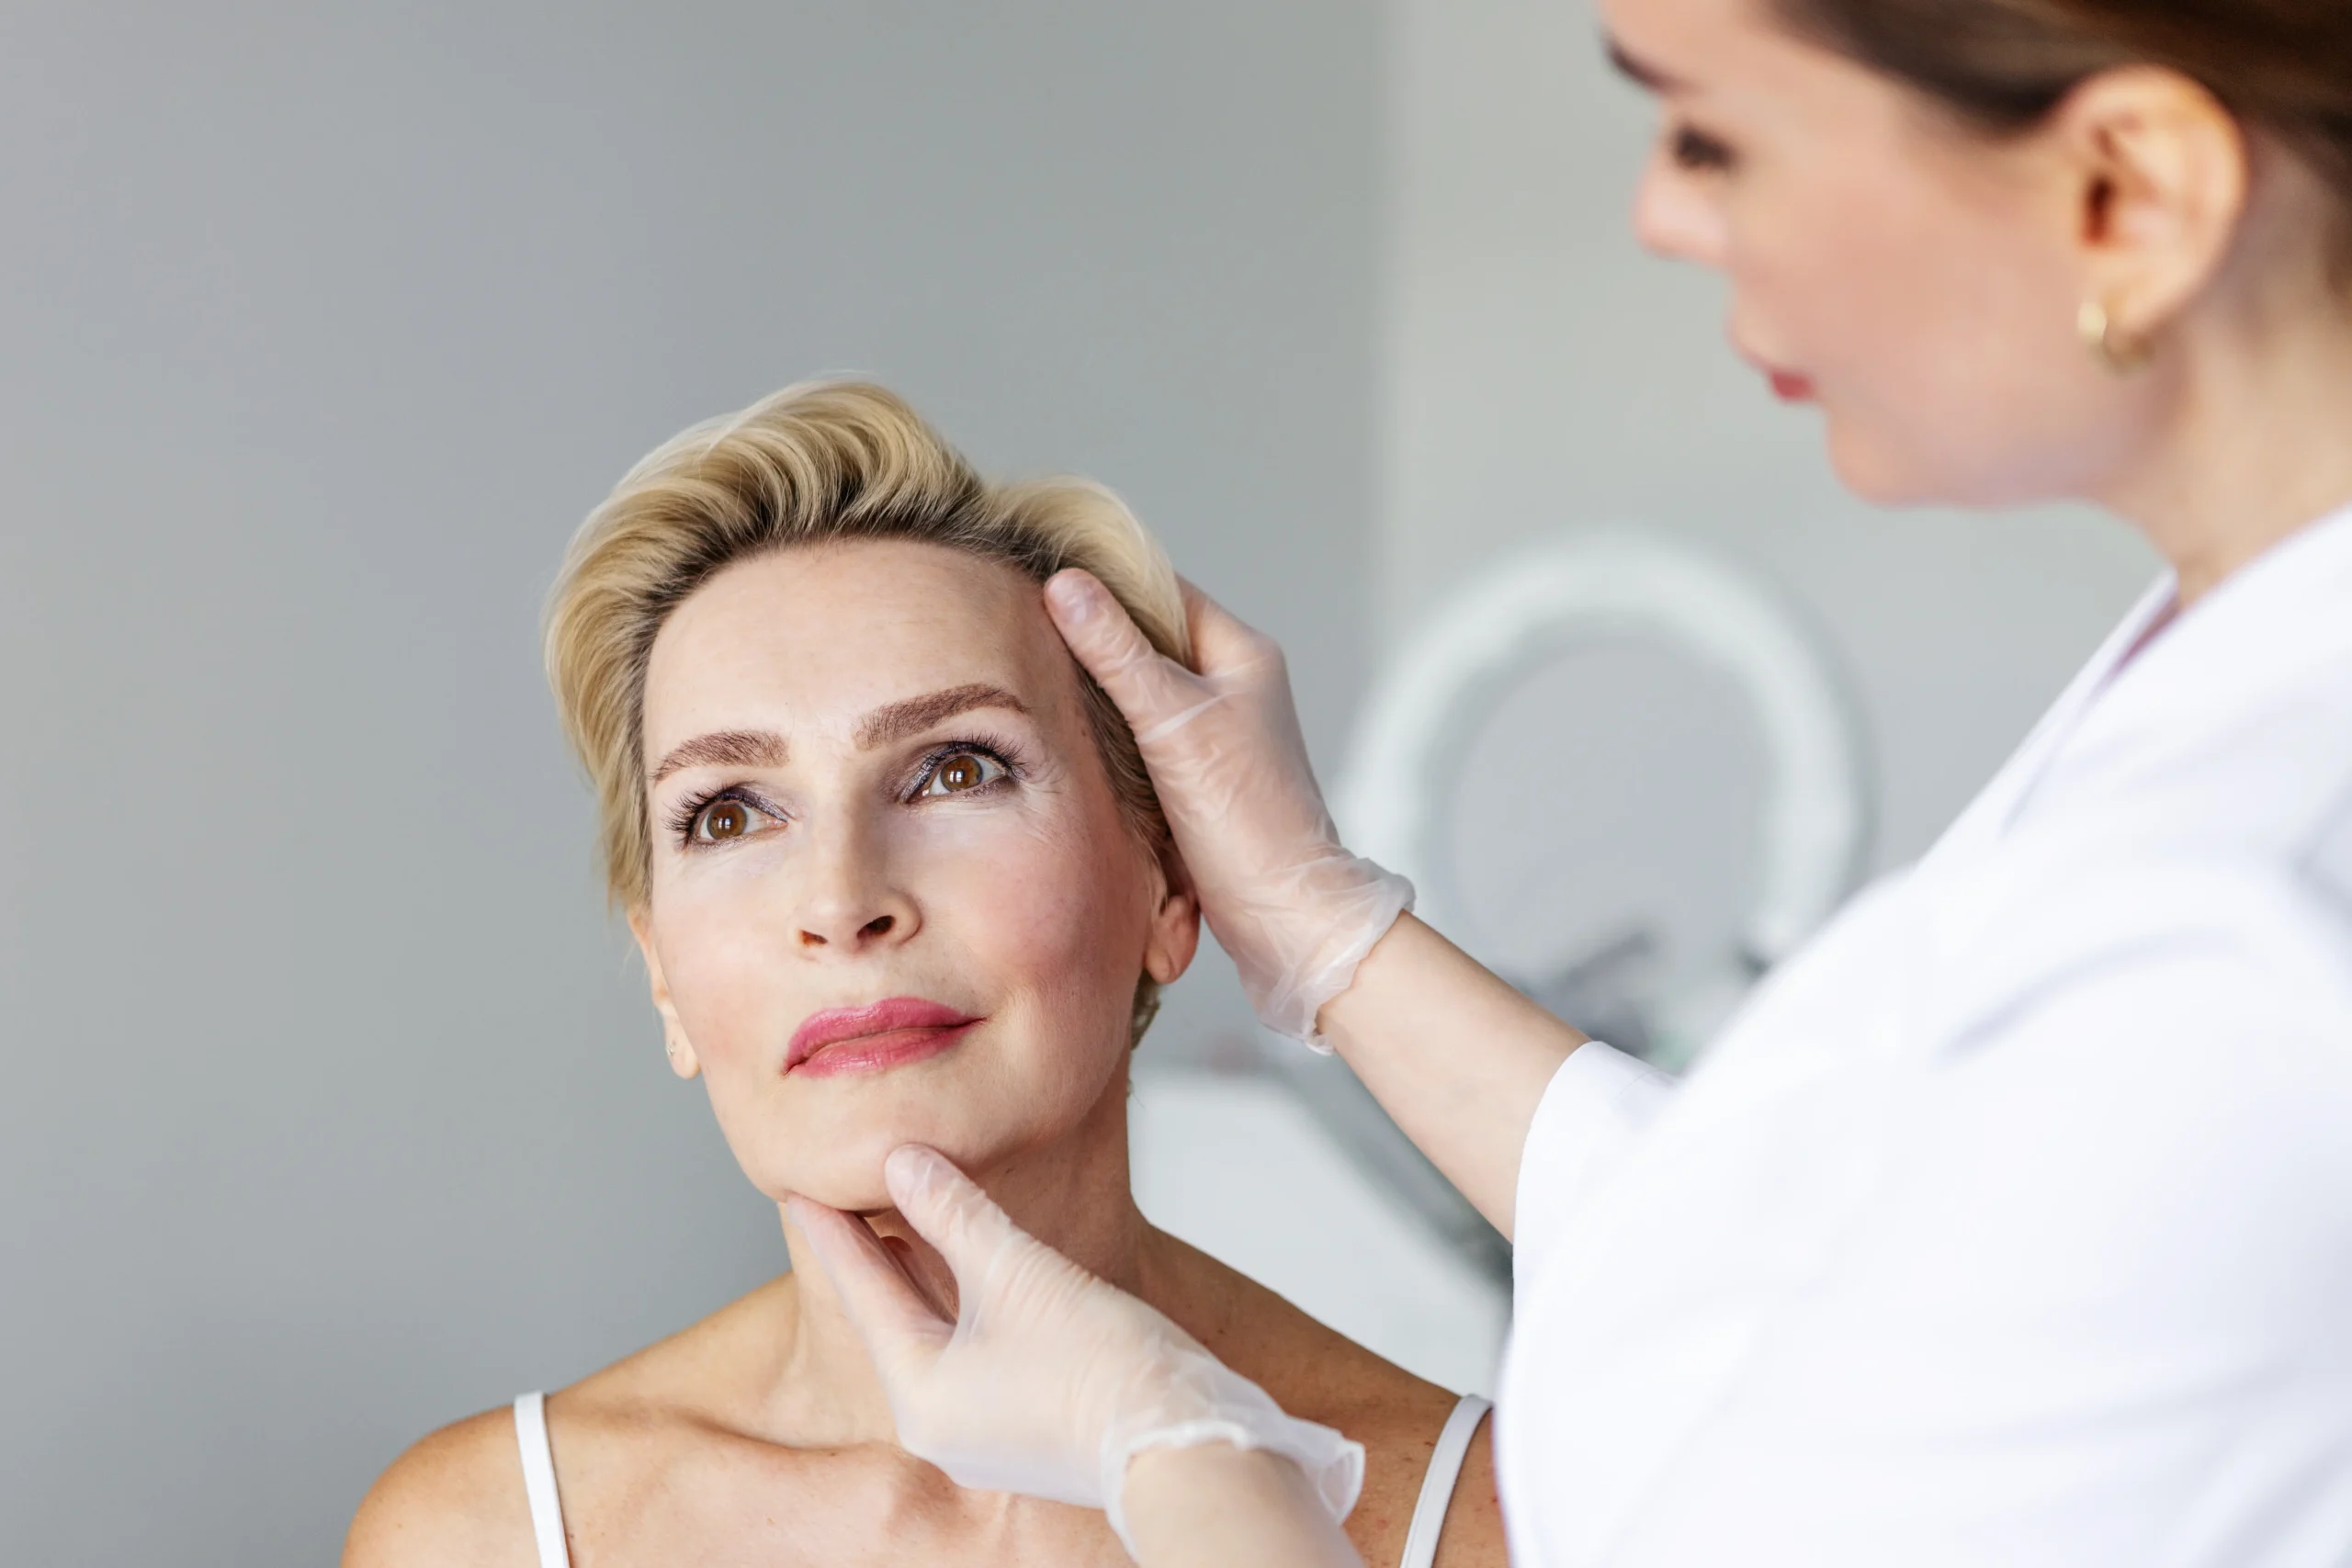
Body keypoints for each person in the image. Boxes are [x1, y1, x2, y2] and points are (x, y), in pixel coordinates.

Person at [789, 2, 2352, 1565]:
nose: (1659, 214)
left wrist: (1186, 1459)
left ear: (2125, 192)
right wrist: (1319, 926)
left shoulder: (2245, 941)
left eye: (1711, 133)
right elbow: (1808, 1266)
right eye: (727, 808)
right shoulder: (2226, 677)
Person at [339, 382, 1508, 1568]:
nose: (843, 901)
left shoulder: (1490, 1516)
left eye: (956, 770)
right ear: (662, 978)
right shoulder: (480, 1532)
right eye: (729, 812)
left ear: (1172, 886)